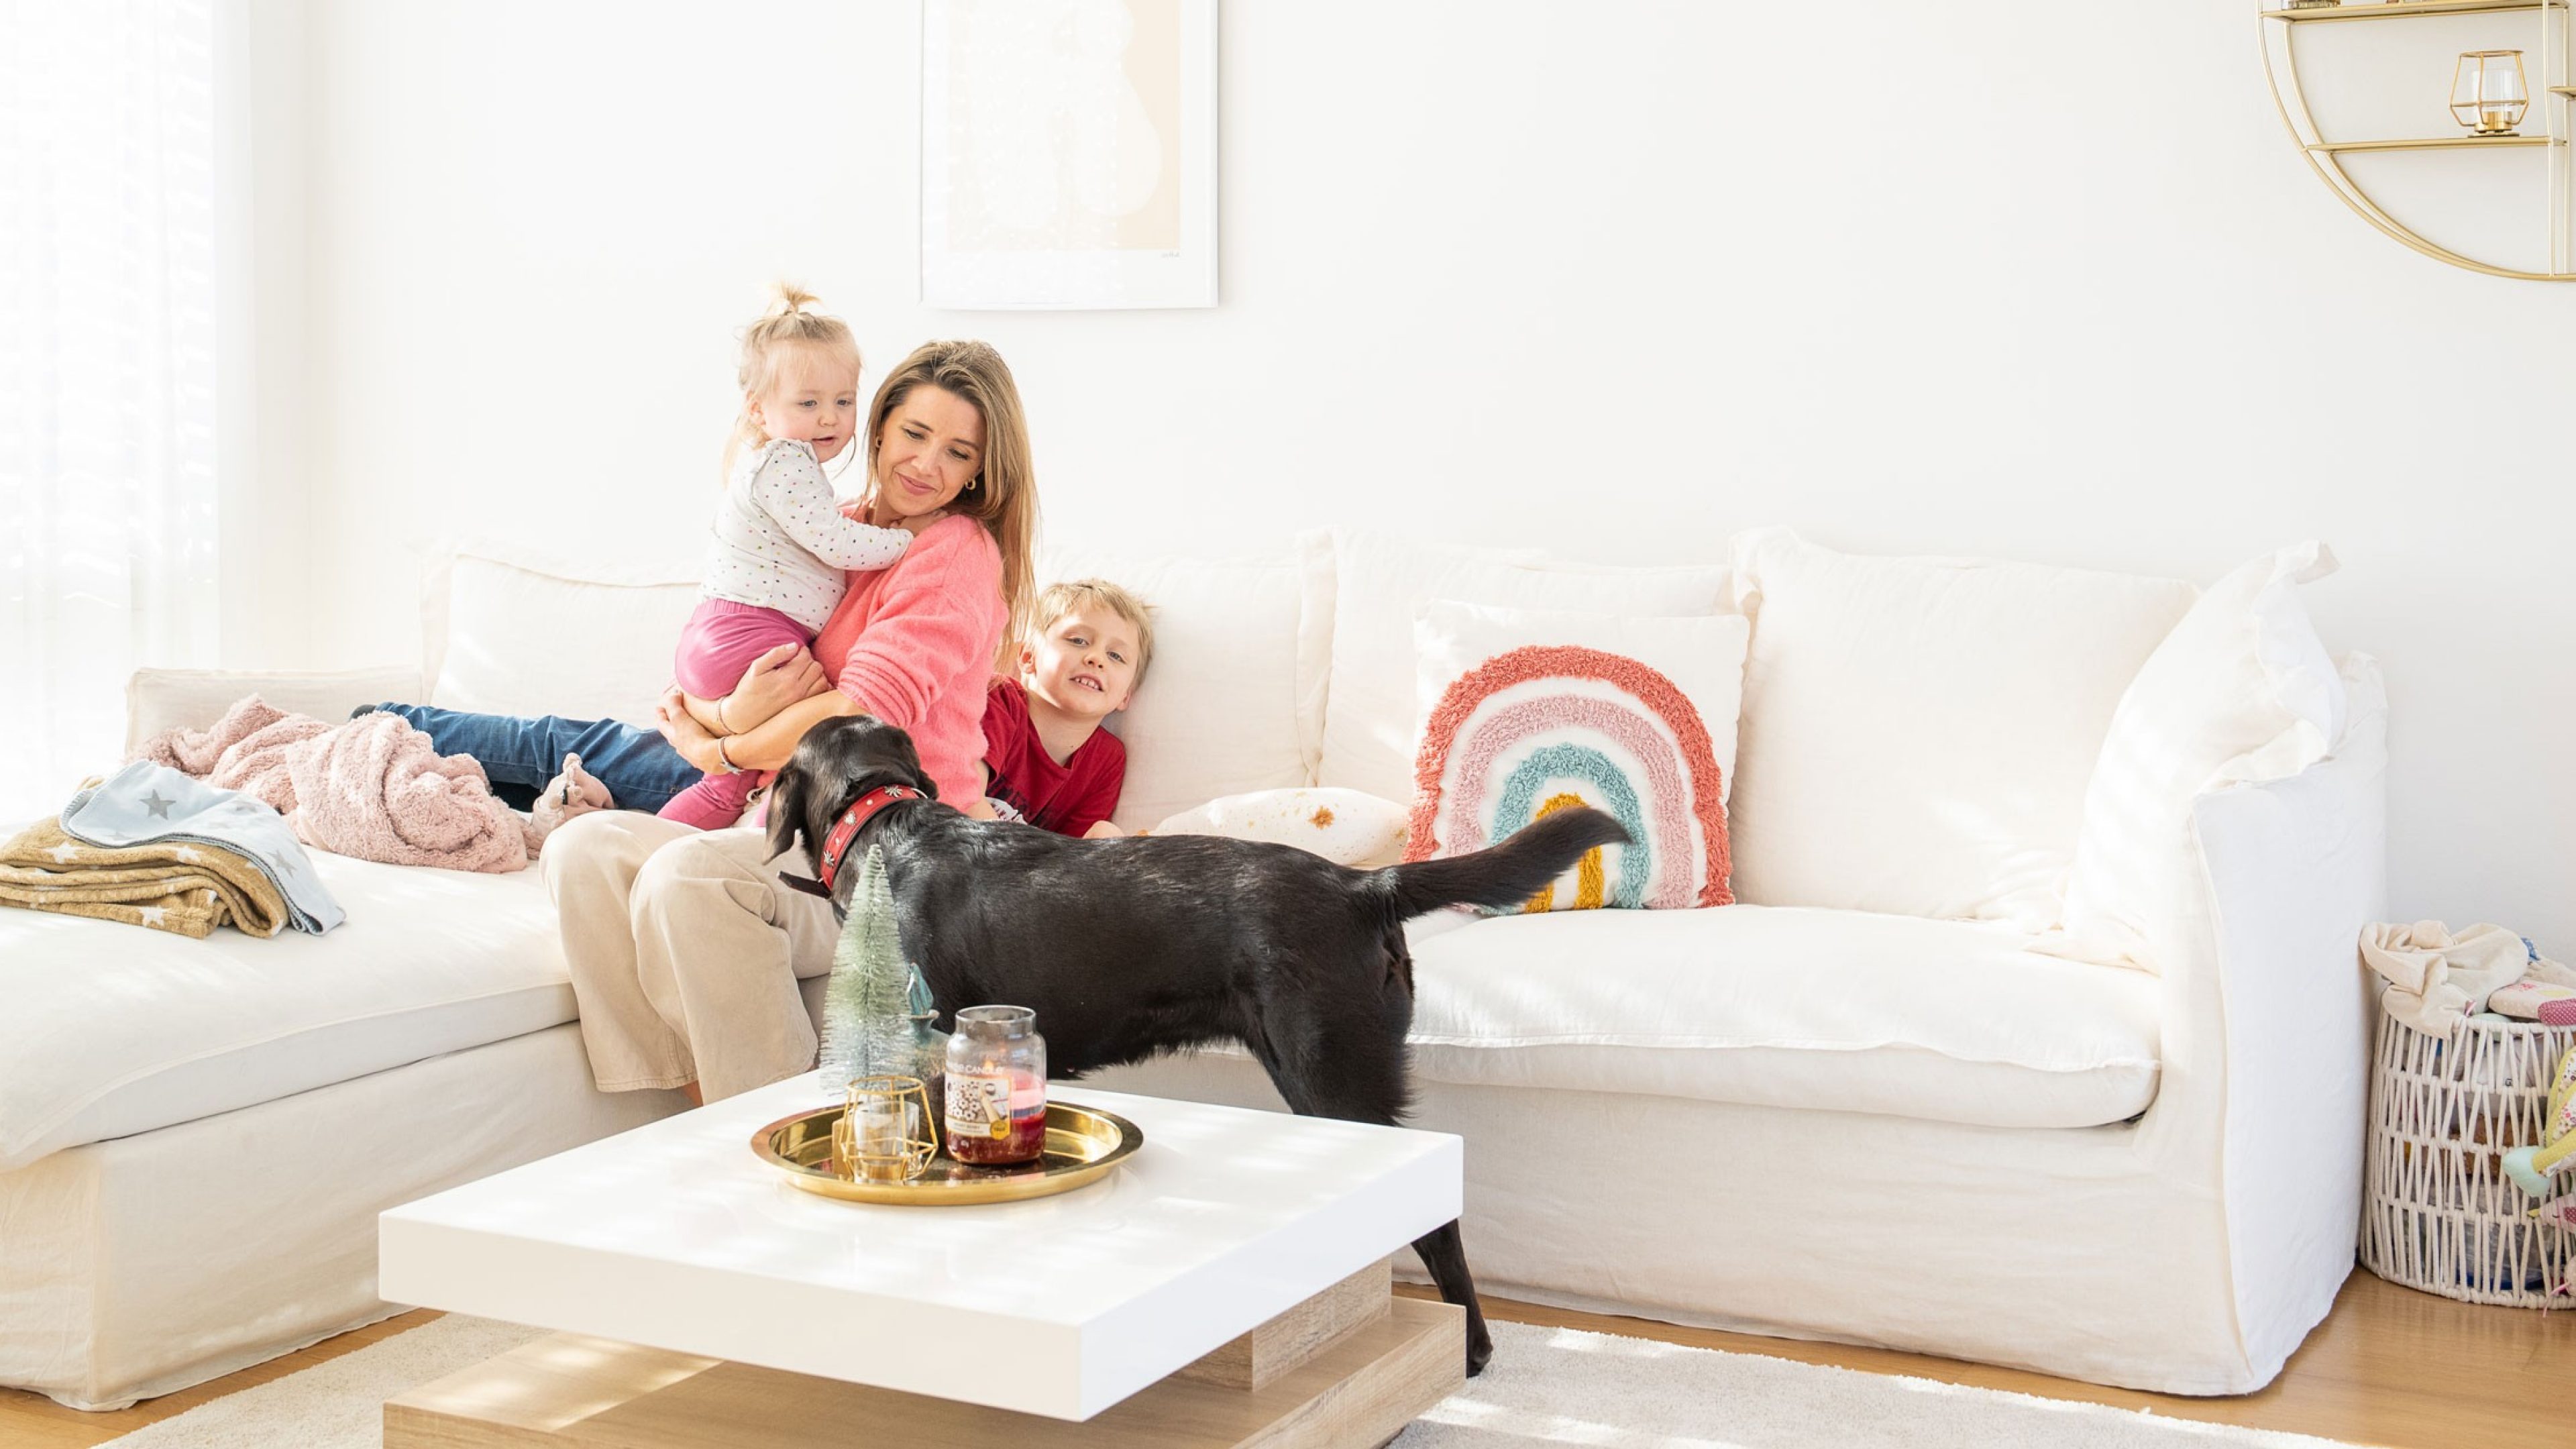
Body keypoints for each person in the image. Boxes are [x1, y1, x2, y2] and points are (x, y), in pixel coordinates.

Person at [393, 339, 1038, 1105]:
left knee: (689, 873)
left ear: (979, 471)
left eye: (957, 451)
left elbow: (857, 714)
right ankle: (681, 1100)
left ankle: (785, 1124)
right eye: (914, 434)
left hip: (903, 858)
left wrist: (724, 747)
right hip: (796, 825)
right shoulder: (842, 528)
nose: (927, 464)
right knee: (582, 849)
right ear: (880, 427)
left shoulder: (955, 551)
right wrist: (722, 718)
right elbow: (708, 670)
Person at [657, 284, 931, 830]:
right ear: (759, 410)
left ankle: (642, 856)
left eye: (844, 401)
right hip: (749, 637)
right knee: (730, 784)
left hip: (725, 634)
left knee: (724, 787)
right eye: (809, 403)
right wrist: (909, 542)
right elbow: (835, 542)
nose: (829, 417)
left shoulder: (786, 468)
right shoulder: (786, 463)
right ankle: (643, 863)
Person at [971, 578, 1150, 838]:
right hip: (948, 847)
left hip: (1020, 870)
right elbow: (964, 797)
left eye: (1115, 656)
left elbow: (1075, 856)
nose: (1096, 658)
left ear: (1126, 695)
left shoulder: (1106, 761)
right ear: (1028, 657)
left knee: (1105, 835)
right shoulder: (999, 699)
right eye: (1078, 641)